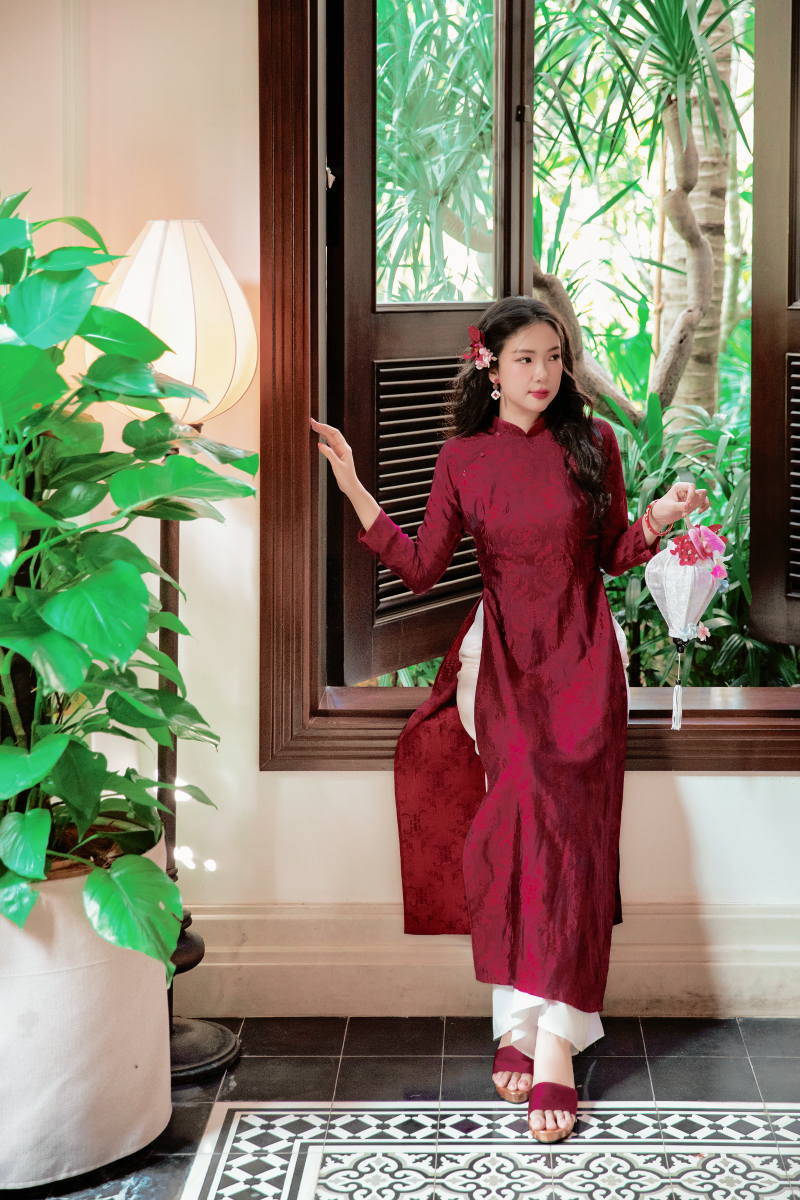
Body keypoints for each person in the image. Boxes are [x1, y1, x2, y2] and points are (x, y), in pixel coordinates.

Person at [312, 296, 710, 1143]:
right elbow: (421, 568)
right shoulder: (463, 458)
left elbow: (613, 555)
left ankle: (550, 1037)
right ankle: (525, 1021)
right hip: (504, 672)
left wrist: (658, 520)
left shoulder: (593, 443)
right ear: (489, 367)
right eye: (526, 358)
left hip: (586, 665)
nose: (544, 374)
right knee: (525, 833)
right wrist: (352, 486)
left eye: (555, 358)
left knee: (575, 847)